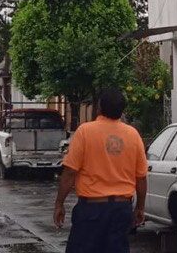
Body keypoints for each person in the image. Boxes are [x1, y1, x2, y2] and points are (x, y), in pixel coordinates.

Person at [54, 88, 148, 253]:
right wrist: (140, 207)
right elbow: (141, 178)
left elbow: (70, 172)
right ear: (122, 110)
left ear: (99, 108)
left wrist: (59, 204)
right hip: (121, 210)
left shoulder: (85, 132)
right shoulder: (133, 135)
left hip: (91, 211)